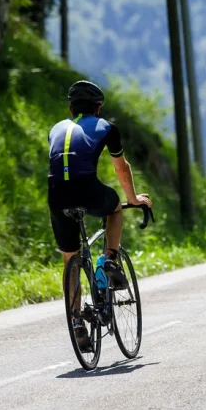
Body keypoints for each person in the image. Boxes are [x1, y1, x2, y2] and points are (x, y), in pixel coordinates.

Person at [47, 80, 153, 351]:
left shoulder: (55, 129)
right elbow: (121, 166)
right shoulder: (107, 127)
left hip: (56, 195)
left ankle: (77, 321)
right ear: (99, 108)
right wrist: (133, 199)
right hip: (87, 190)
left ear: (70, 109)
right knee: (115, 208)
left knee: (70, 259)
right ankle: (109, 260)